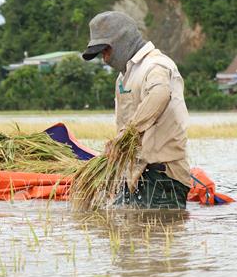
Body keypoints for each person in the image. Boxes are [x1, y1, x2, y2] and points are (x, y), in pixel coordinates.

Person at [82, 11, 191, 209]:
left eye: (106, 51)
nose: (105, 59)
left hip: (161, 177)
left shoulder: (156, 66)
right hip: (134, 174)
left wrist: (126, 135)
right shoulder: (124, 77)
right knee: (123, 233)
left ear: (122, 41)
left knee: (155, 236)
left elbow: (159, 94)